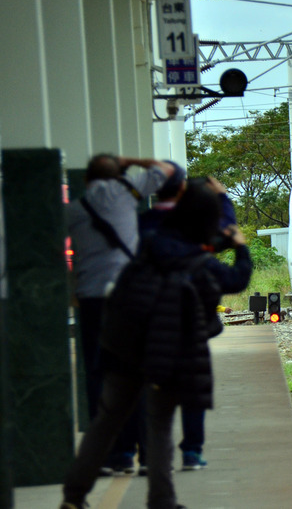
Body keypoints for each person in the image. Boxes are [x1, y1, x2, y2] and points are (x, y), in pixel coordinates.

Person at [61, 179, 253, 509]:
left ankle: (74, 497)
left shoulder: (146, 244)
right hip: (170, 356)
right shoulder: (202, 263)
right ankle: (162, 500)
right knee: (160, 427)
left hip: (125, 349)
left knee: (105, 424)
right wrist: (241, 246)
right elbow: (237, 280)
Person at [67, 154, 176, 473]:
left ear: (86, 180)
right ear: (117, 177)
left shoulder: (74, 209)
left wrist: (72, 285)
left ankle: (114, 455)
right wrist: (130, 159)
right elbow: (168, 169)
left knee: (99, 376)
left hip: (93, 300)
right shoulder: (128, 191)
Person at [139, 172, 238, 471]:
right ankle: (191, 452)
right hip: (191, 326)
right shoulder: (194, 226)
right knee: (192, 389)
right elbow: (227, 232)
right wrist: (222, 197)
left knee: (154, 393)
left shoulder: (144, 224)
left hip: (153, 324)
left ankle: (150, 456)